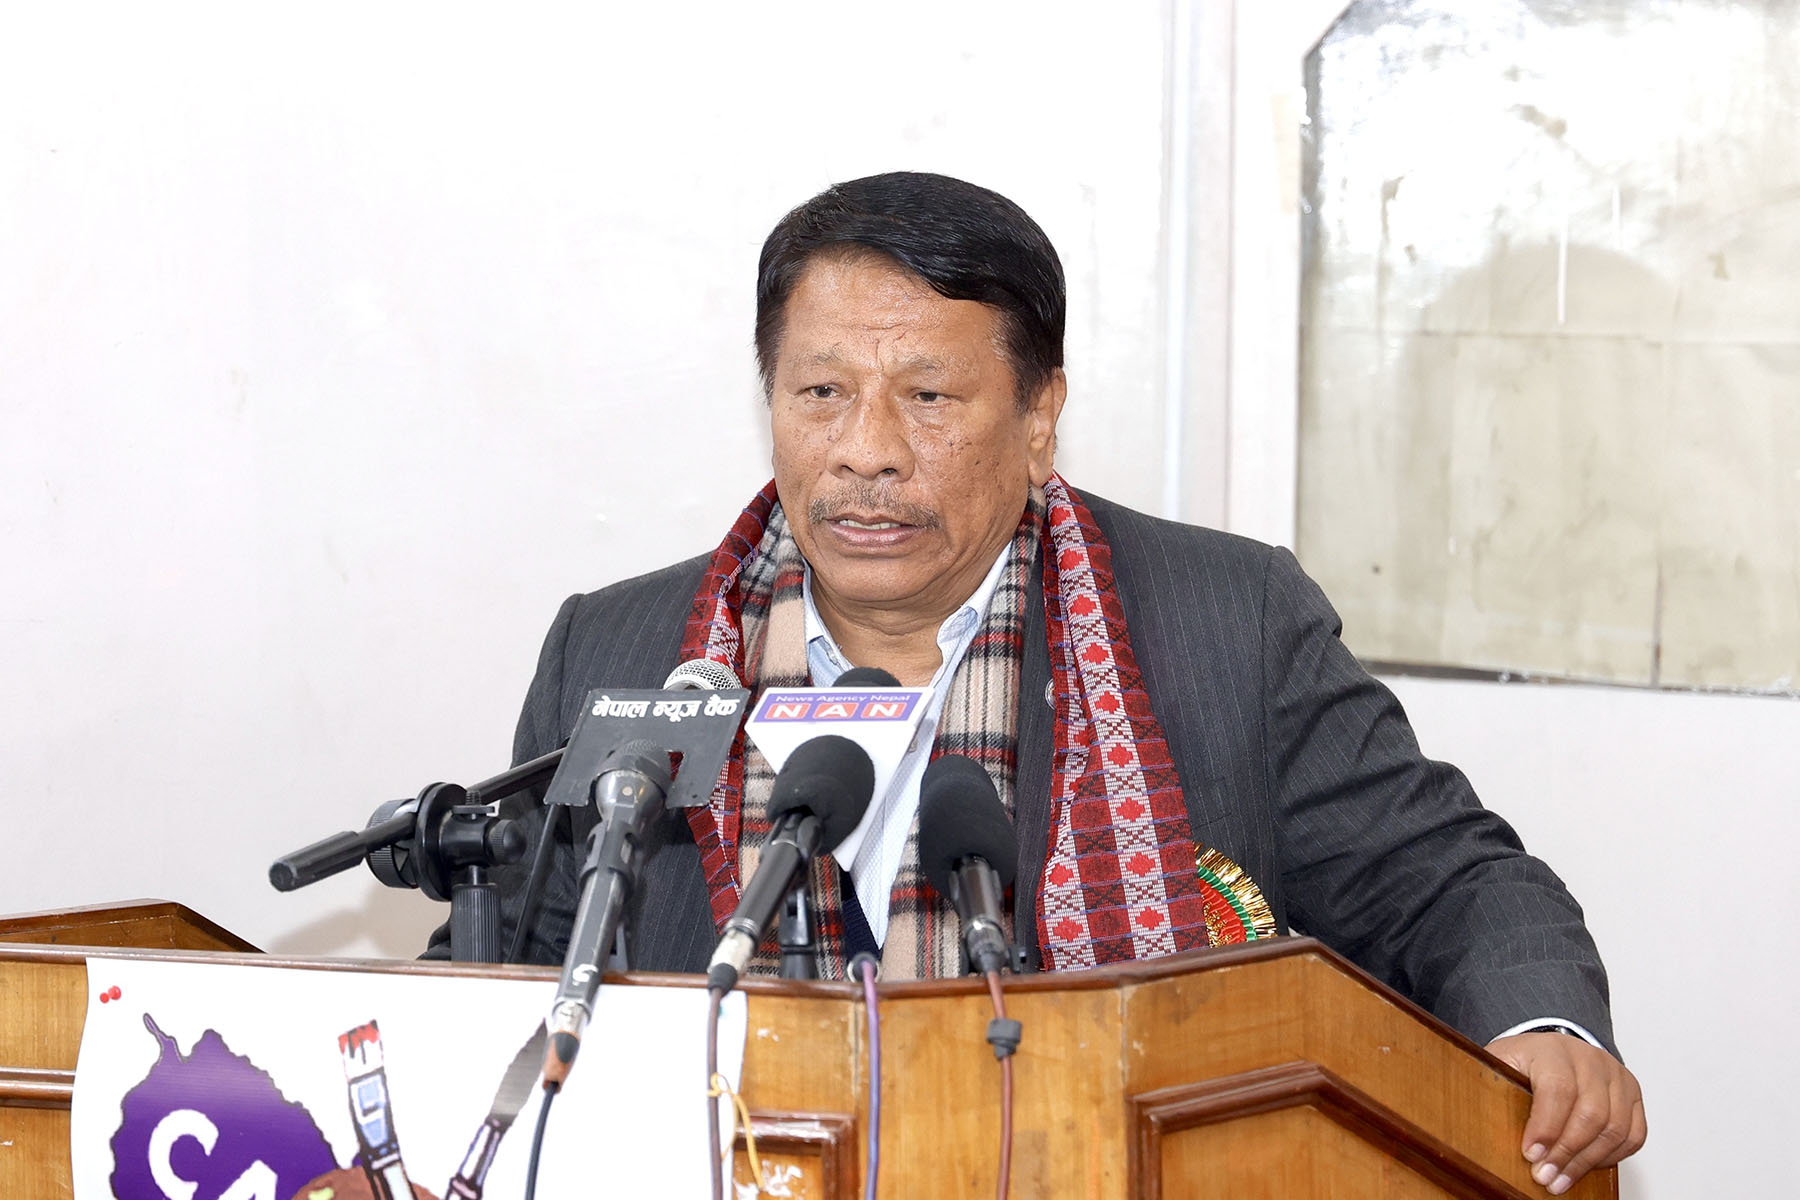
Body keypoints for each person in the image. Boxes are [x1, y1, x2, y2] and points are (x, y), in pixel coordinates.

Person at [437, 171, 1645, 1191]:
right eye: (821, 394)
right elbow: (506, 969)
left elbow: (1446, 883)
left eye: (928, 398)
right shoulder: (623, 648)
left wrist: (1539, 1024)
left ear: (1038, 415)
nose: (866, 452)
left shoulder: (1224, 620)